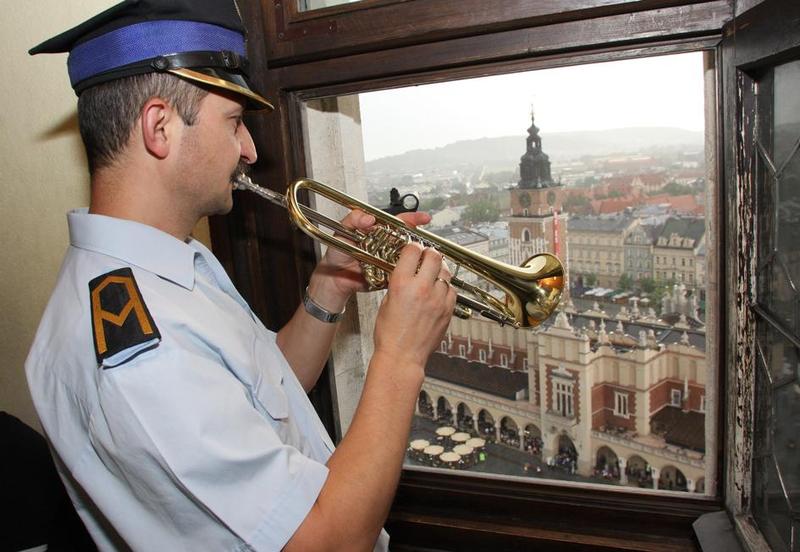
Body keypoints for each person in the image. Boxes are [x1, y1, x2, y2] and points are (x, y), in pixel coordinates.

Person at [24, 1, 456, 550]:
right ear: (159, 127)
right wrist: (402, 356)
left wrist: (330, 286)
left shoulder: (167, 269)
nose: (249, 149)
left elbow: (269, 390)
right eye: (234, 122)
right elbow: (329, 542)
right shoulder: (144, 354)